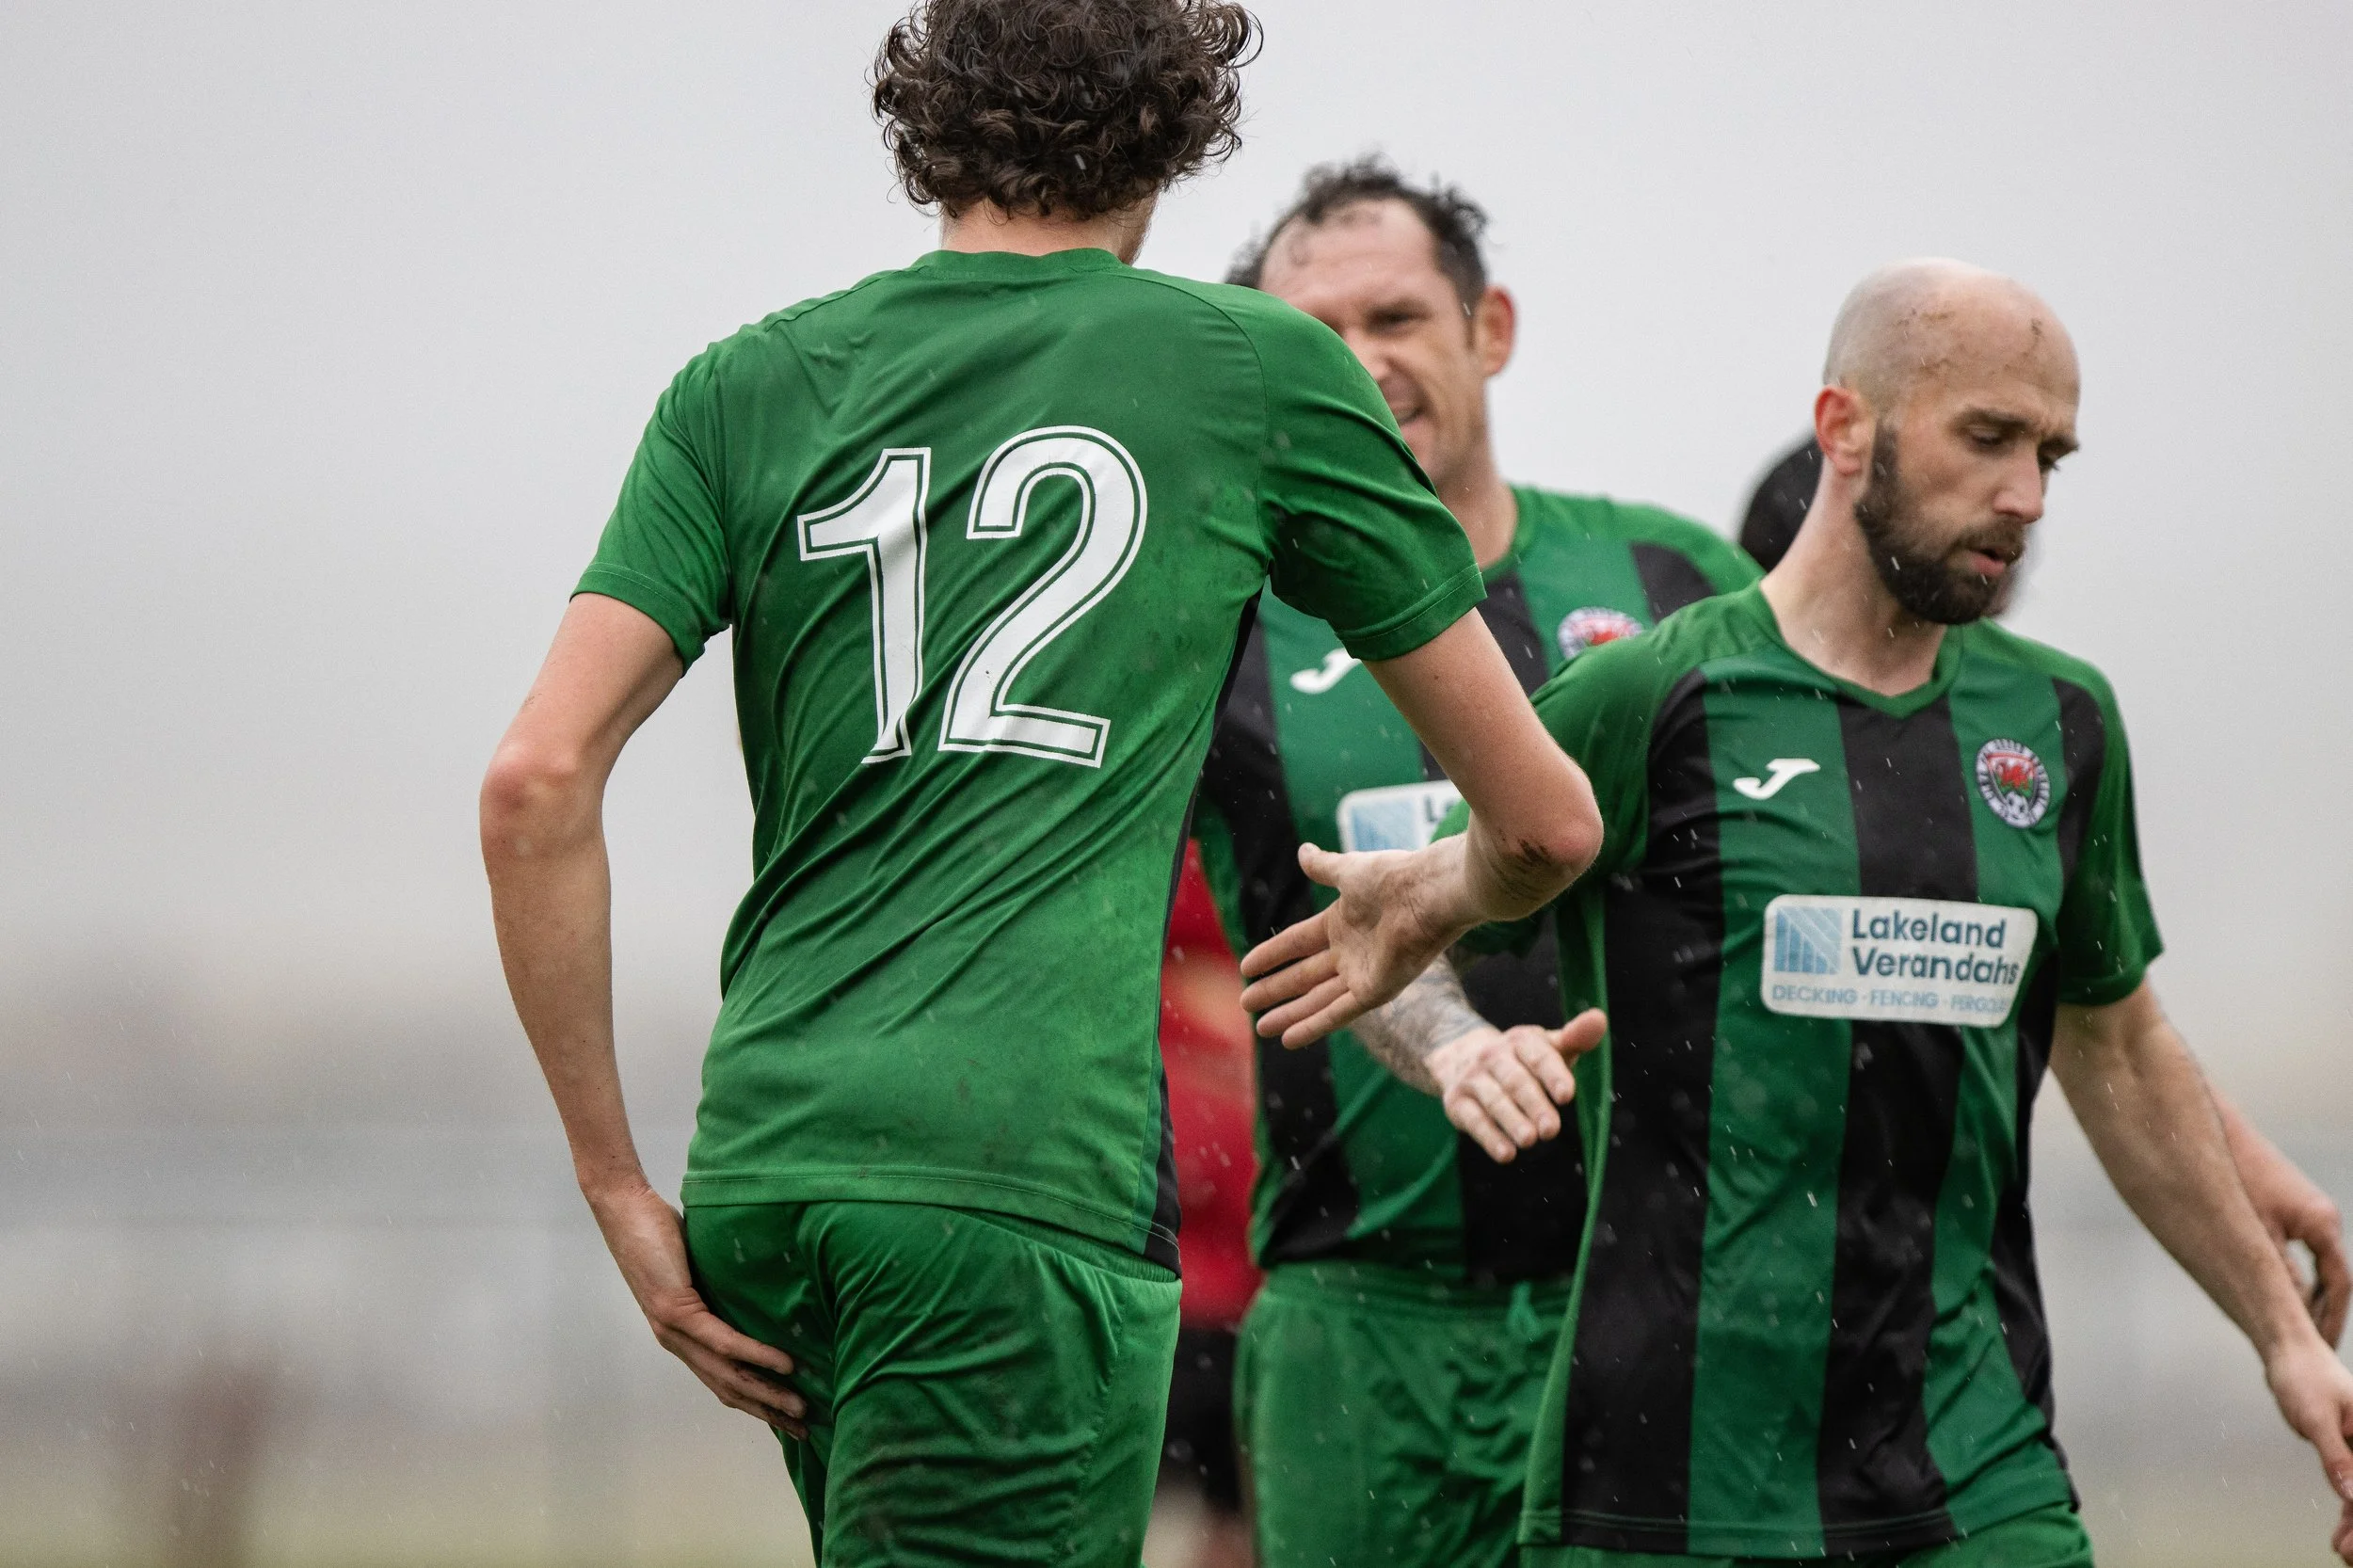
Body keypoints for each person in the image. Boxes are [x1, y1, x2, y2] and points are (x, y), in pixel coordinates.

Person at [475, 3, 1609, 1563]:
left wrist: (615, 1184)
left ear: (930, 114)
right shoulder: (1249, 370)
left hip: (766, 1167)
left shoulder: (746, 383)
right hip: (1013, 1184)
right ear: (1178, 131)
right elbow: (1549, 818)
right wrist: (1445, 893)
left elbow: (537, 780)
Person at [1245, 259, 2353, 1565]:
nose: (2027, 496)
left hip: (1975, 1462)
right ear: (1844, 429)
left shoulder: (2060, 724)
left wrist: (2281, 1338)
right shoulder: (1654, 694)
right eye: (1988, 438)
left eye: (2052, 452)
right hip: (1665, 1471)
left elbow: (2115, 1043)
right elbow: (1444, 899)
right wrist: (1437, 1004)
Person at [1189, 158, 1757, 1568]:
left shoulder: (1675, 589)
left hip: (1641, 1294)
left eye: (1395, 319)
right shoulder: (1218, 628)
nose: (1362, 365)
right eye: (1313, 339)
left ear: (1487, 329)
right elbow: (1272, 929)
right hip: (1356, 1322)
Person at [1737, 441, 2349, 1337]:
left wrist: (2237, 1161)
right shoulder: (1696, 733)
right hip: (1697, 1322)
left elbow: (2091, 1013)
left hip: (1934, 1333)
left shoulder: (2023, 735)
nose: (1959, 660)